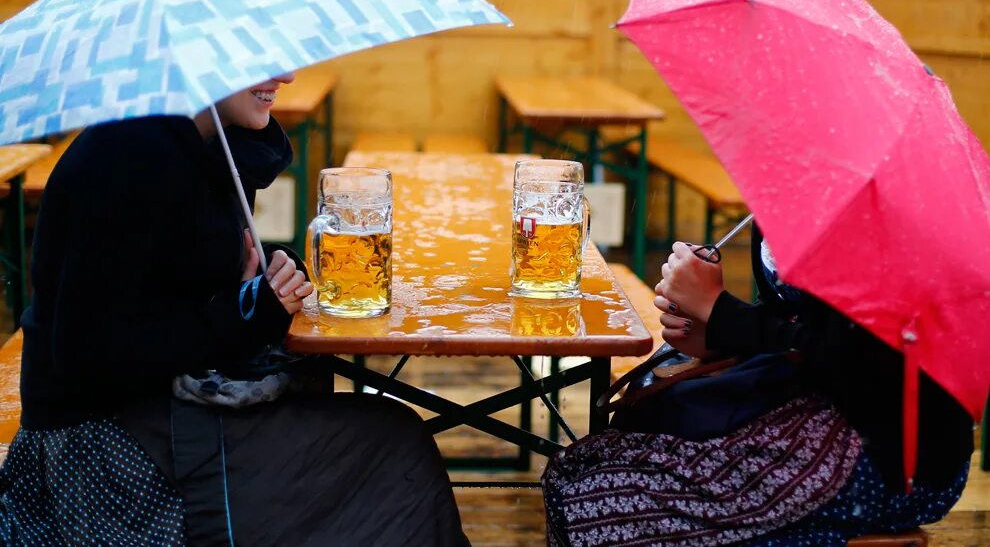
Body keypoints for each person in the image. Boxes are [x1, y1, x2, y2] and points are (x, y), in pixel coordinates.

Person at [0, 73, 469, 546]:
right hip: (106, 448)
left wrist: (252, 289)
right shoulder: (130, 154)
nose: (284, 75)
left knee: (387, 438)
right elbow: (88, 353)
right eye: (262, 59)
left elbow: (167, 289)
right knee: (393, 447)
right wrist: (244, 315)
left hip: (164, 408)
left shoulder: (204, 145)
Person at [542, 224, 973, 546]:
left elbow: (865, 363)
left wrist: (721, 311)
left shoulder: (889, 226)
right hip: (805, 410)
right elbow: (796, 322)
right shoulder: (791, 192)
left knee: (595, 499)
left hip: (891, 454)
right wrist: (713, 335)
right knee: (577, 468)